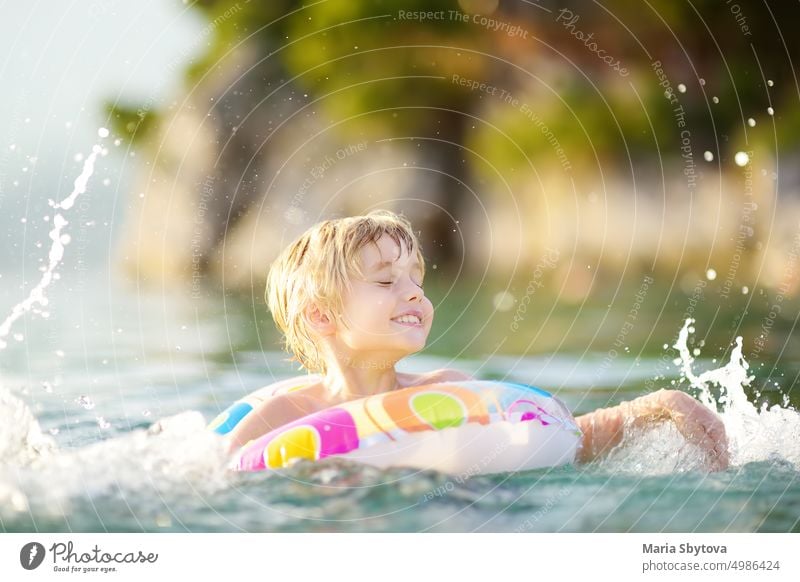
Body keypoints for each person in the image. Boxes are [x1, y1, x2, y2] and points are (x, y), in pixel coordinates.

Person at [224, 210, 728, 471]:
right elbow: (217, 486)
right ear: (320, 315)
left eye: (417, 280)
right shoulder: (282, 419)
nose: (414, 295)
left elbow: (563, 439)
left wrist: (658, 405)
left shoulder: (448, 390)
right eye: (385, 282)